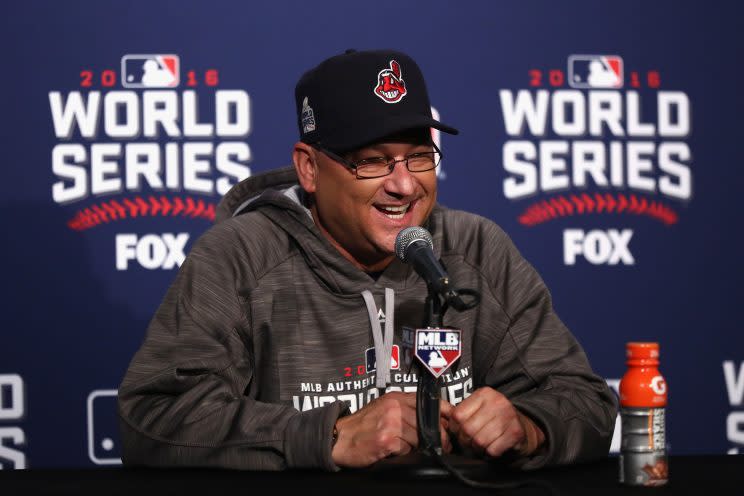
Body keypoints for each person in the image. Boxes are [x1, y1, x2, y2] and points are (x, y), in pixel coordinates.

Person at [118, 48, 617, 471]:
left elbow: (586, 403)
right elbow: (153, 418)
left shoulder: (476, 249)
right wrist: (329, 437)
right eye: (373, 160)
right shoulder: (240, 256)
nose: (404, 184)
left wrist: (529, 427)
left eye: (419, 156)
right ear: (310, 169)